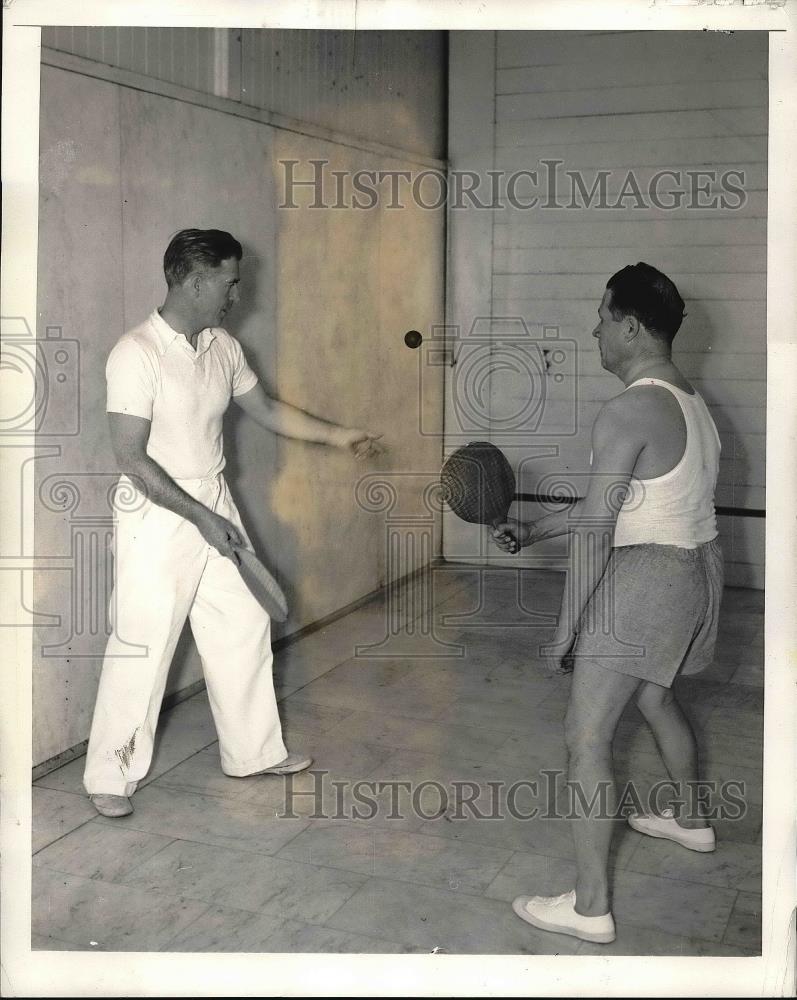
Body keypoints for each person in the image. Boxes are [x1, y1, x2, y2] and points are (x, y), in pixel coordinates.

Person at [84, 228, 383, 819]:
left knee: (243, 622)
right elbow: (131, 458)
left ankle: (251, 753)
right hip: (156, 510)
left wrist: (338, 435)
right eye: (229, 282)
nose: (236, 295)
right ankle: (110, 776)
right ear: (195, 281)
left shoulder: (221, 346)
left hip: (212, 499)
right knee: (141, 642)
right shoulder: (136, 353)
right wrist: (198, 516)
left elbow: (266, 409)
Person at [493, 262, 723, 945]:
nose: (593, 329)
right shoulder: (688, 401)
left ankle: (589, 907)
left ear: (628, 325)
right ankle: (691, 819)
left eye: (601, 317)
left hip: (647, 580)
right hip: (692, 574)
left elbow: (598, 533)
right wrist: (533, 529)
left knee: (585, 736)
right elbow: (618, 504)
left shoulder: (626, 409)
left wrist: (565, 632)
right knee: (653, 698)